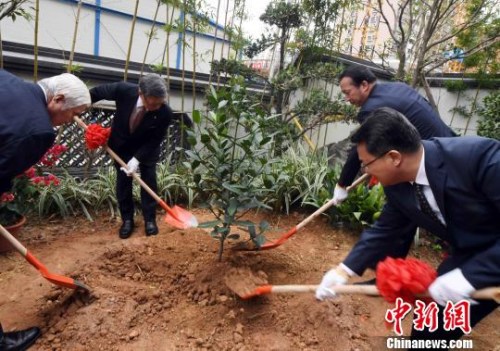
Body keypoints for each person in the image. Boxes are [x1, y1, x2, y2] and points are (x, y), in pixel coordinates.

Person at [316, 107, 499, 346]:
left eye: (366, 164)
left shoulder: (480, 158)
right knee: (429, 329)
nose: (365, 171)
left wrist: (469, 277)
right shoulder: (398, 185)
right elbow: (386, 229)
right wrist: (344, 271)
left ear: (394, 157)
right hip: (472, 253)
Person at [0, 69, 90, 350]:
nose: (70, 121)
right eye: (73, 114)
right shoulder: (39, 130)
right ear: (58, 99)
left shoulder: (7, 78)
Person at [332, 66, 456, 205]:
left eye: (347, 92)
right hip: (452, 147)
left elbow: (360, 148)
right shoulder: (399, 87)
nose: (347, 98)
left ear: (364, 85)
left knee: (398, 193)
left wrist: (342, 185)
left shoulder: (370, 108)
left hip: (433, 166)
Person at [89, 74, 173, 239]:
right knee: (123, 184)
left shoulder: (164, 112)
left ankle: (150, 220)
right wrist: (79, 107)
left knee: (149, 181)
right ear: (141, 93)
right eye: (152, 103)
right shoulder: (124, 91)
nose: (156, 106)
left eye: (159, 103)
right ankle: (127, 220)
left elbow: (155, 140)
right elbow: (95, 93)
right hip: (121, 146)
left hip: (146, 150)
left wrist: (137, 159)